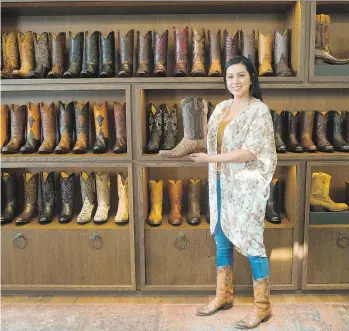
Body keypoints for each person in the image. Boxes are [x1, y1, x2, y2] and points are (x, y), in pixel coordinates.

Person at [189, 55, 277, 329]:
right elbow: (207, 139)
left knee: (253, 243)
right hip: (219, 183)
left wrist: (211, 160)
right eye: (230, 76)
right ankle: (223, 296)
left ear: (251, 77)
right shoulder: (221, 107)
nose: (235, 81)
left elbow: (252, 151)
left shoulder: (258, 110)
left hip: (245, 186)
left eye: (241, 75)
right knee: (222, 239)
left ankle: (262, 307)